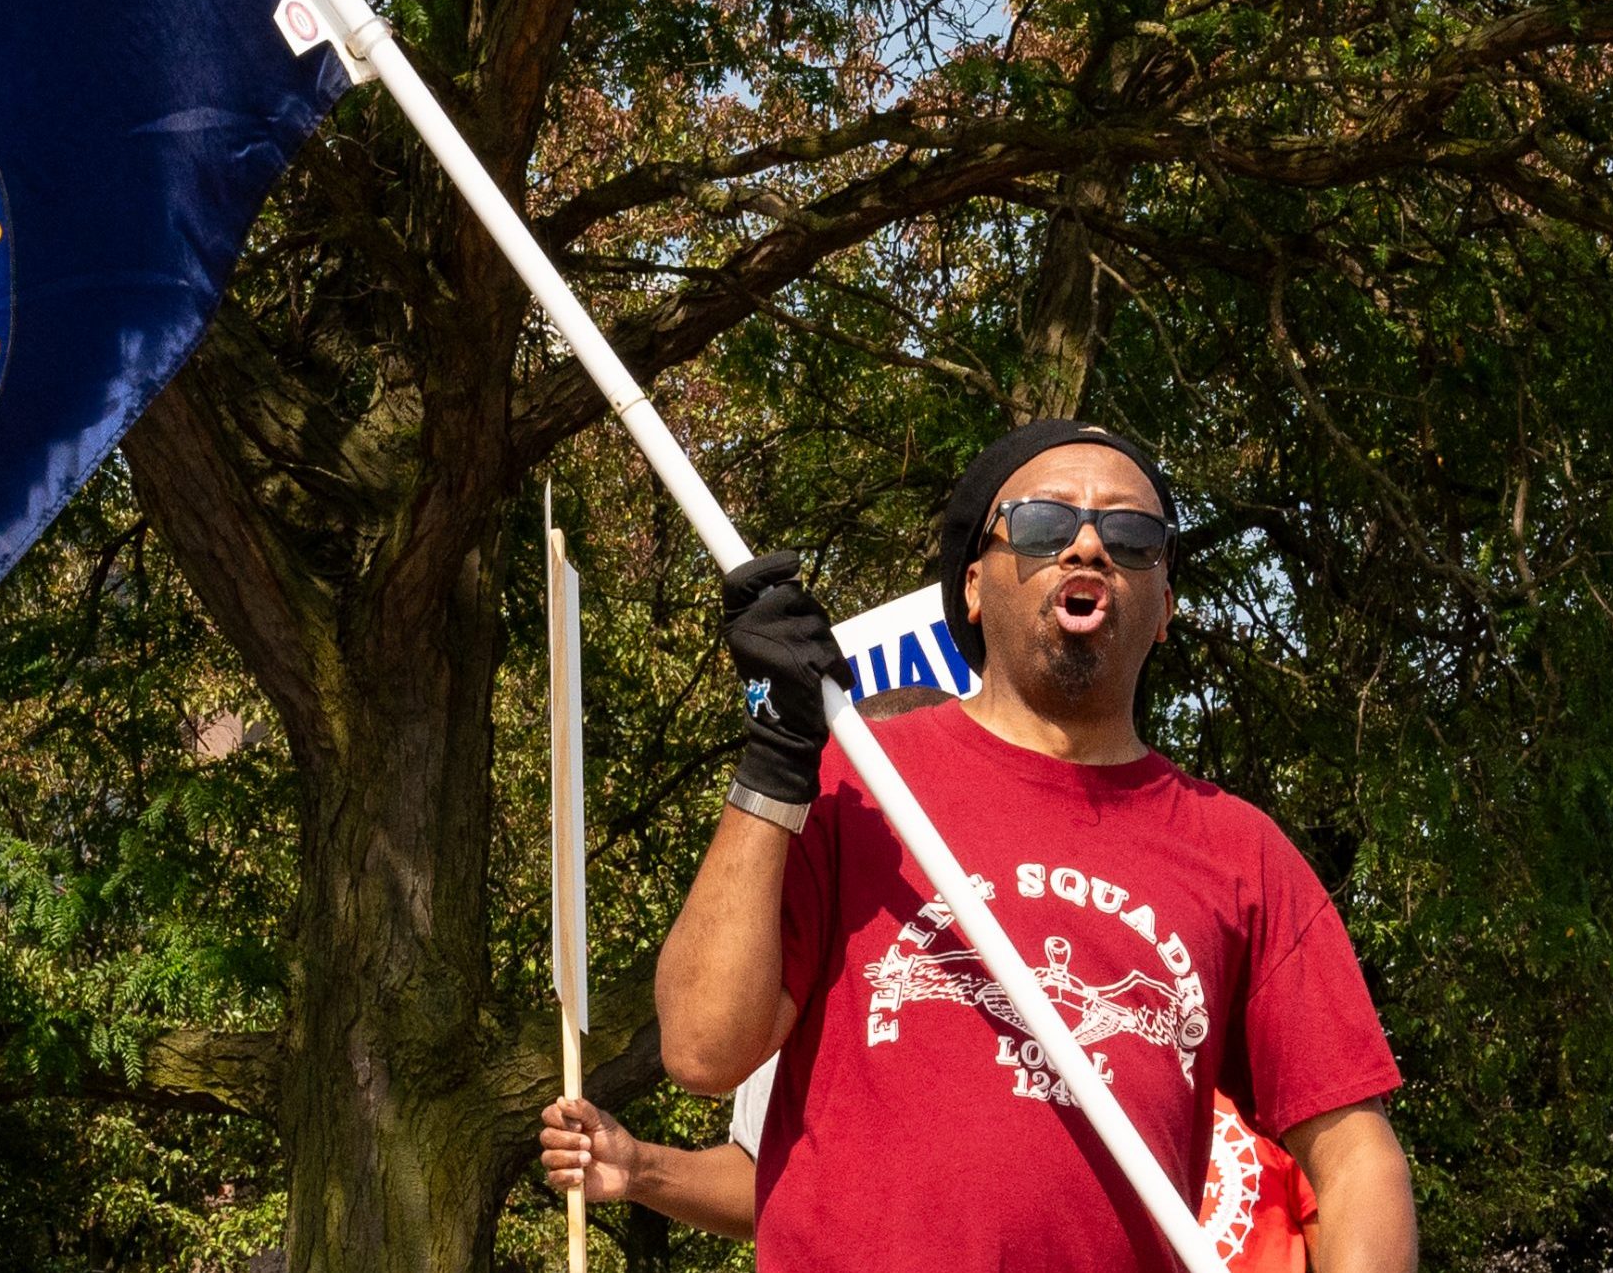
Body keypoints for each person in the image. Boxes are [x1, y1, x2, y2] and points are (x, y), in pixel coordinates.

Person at [652, 420, 1416, 1270]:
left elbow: (1355, 1157)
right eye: (1047, 523)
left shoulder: (1244, 855)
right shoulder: (858, 784)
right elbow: (701, 1046)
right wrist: (775, 758)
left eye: (1131, 535)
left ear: (1163, 607)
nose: (1088, 544)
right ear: (974, 586)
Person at [538, 1076, 1318, 1269]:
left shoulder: (1095, 920)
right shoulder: (806, 974)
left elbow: (1334, 1179)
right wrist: (640, 1167)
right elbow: (771, 1179)